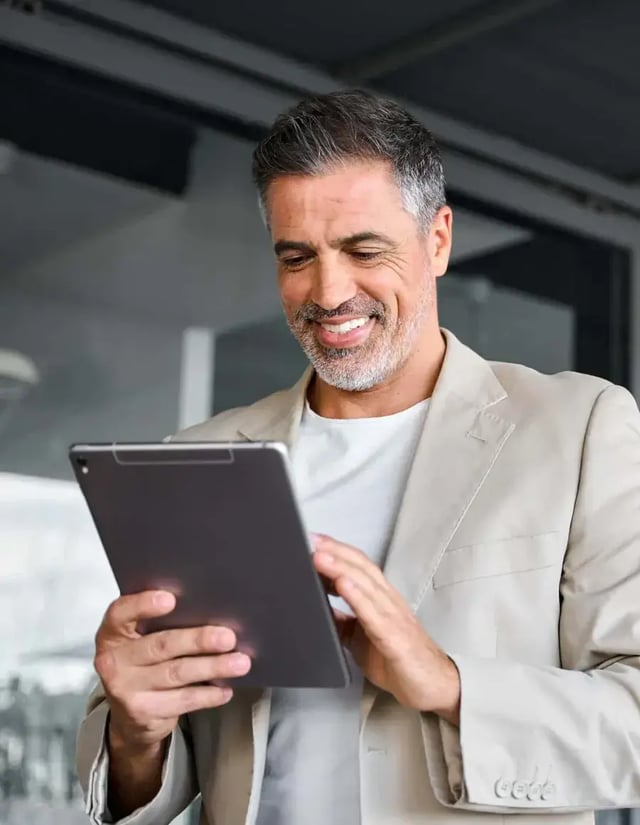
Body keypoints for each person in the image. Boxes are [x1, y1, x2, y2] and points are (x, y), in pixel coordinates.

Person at [76, 90, 640, 825]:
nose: (328, 292)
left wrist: (446, 682)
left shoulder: (580, 428)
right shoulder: (200, 457)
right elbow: (140, 777)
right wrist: (135, 729)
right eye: (297, 257)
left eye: (363, 250)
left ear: (438, 239)